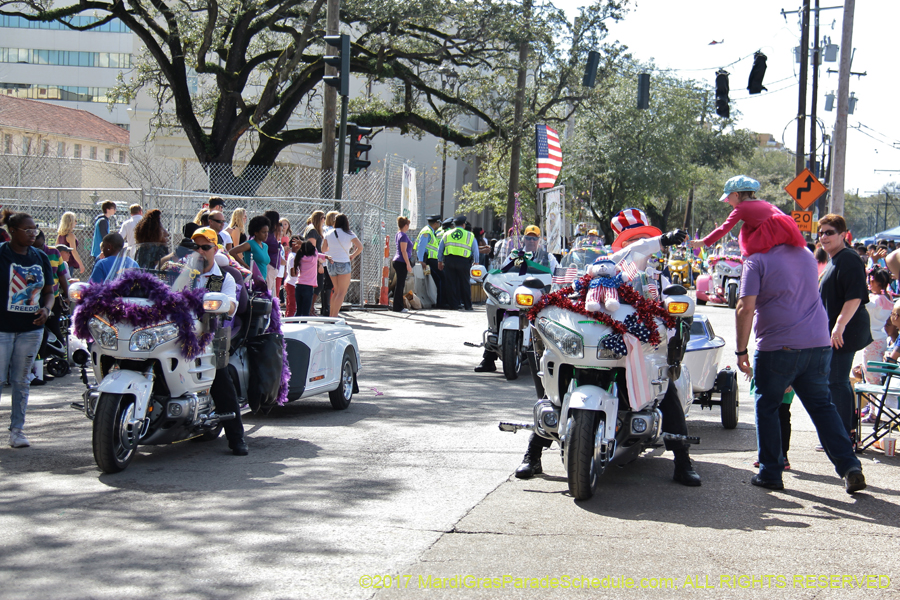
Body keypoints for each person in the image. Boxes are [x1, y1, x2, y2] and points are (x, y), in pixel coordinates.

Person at [515, 208, 700, 487]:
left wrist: (669, 312)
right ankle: (535, 451)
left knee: (666, 387)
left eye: (642, 238)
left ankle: (682, 459)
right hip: (591, 342)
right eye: (631, 239)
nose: (637, 244)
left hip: (636, 346)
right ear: (620, 243)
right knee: (549, 382)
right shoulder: (601, 265)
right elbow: (570, 294)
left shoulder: (656, 276)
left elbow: (668, 311)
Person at [735, 224, 866, 493]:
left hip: (777, 346)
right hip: (818, 344)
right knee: (822, 407)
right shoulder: (806, 254)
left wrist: (741, 350)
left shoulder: (756, 260)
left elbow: (745, 308)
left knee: (768, 406)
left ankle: (771, 471)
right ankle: (850, 466)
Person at [191, 227, 248, 456]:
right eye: (196, 246)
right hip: (180, 334)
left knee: (219, 376)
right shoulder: (182, 273)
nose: (200, 251)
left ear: (215, 249)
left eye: (206, 247)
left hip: (211, 334)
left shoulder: (222, 278)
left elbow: (231, 305)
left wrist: (225, 304)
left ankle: (236, 438)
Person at [1, 213, 54, 448]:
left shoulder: (40, 257)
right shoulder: (2, 253)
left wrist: (47, 310)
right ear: (12, 230)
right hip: (2, 329)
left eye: (35, 229)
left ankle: (17, 431)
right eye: (27, 230)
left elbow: (49, 292)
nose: (33, 234)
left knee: (21, 381)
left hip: (31, 329)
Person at [475, 225, 558, 373]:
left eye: (534, 238)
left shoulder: (548, 257)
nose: (531, 240)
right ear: (523, 239)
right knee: (492, 303)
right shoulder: (514, 255)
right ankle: (489, 357)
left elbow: (556, 276)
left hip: (536, 297)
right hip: (513, 295)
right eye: (528, 237)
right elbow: (500, 271)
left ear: (539, 240)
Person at [817, 213, 871, 439]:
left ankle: (842, 435)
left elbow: (855, 296)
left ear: (843, 235)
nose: (824, 237)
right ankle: (845, 431)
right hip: (837, 331)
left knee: (836, 381)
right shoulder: (834, 258)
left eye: (829, 232)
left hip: (845, 331)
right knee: (837, 381)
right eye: (820, 233)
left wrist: (839, 325)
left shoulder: (848, 258)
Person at [689, 175, 806, 257]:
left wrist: (703, 241)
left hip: (772, 232)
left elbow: (724, 228)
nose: (727, 201)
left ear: (736, 194)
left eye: (728, 198)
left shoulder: (742, 208)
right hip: (784, 228)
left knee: (750, 253)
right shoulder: (762, 202)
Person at [34, 230, 68, 385]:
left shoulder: (53, 253)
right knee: (39, 337)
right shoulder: (29, 254)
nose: (38, 249)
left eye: (40, 245)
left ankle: (60, 363)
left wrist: (67, 295)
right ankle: (37, 370)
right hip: (34, 301)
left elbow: (61, 276)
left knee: (55, 332)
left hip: (52, 299)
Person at [322, 213, 362, 317]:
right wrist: (352, 255)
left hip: (331, 263)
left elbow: (323, 249)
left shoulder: (329, 233)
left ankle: (331, 316)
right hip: (343, 263)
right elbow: (360, 247)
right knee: (341, 293)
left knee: (336, 291)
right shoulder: (349, 233)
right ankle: (334, 317)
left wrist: (333, 248)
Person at [437, 215, 479, 311]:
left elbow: (440, 249)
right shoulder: (469, 235)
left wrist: (440, 261)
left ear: (454, 225)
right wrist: (476, 262)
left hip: (449, 261)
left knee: (451, 284)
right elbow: (475, 250)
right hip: (464, 262)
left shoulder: (447, 234)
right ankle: (468, 305)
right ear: (463, 225)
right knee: (465, 283)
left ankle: (453, 305)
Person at [863, 267, 894, 384]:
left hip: (872, 340)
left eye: (871, 281)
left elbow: (864, 306)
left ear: (878, 283)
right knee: (877, 374)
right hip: (881, 338)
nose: (869, 284)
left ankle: (874, 402)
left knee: (871, 377)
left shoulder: (876, 300)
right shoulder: (888, 297)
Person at [291, 240, 329, 317]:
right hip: (308, 287)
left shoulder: (300, 257)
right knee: (305, 312)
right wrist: (302, 242)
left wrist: (302, 244)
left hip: (298, 286)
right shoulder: (313, 257)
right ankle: (304, 327)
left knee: (298, 311)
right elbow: (315, 250)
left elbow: (313, 250)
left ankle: (295, 326)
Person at [415, 215, 444, 308]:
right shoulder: (427, 232)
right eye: (439, 223)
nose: (439, 224)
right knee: (441, 279)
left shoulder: (431, 231)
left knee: (431, 279)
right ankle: (440, 303)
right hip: (428, 261)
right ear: (435, 223)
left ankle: (437, 302)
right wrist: (421, 260)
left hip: (429, 261)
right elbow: (421, 246)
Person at [304, 211, 331, 316]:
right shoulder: (312, 231)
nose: (324, 220)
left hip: (318, 260)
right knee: (318, 284)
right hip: (313, 261)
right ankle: (309, 307)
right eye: (323, 218)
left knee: (318, 284)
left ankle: (310, 307)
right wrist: (319, 264)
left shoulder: (316, 231)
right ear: (319, 219)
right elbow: (312, 249)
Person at [393, 216, 414, 313]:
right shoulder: (403, 236)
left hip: (398, 261)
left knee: (400, 284)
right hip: (401, 261)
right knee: (400, 285)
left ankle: (398, 305)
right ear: (405, 225)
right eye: (408, 225)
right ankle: (398, 307)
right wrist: (408, 264)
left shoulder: (399, 234)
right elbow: (403, 251)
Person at [56, 211, 85, 276]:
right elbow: (73, 251)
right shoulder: (70, 235)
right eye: (75, 220)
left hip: (61, 261)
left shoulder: (60, 235)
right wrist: (80, 264)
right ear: (70, 222)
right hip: (69, 262)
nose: (76, 222)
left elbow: (56, 247)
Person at [263, 210, 281, 293]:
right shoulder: (267, 235)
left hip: (272, 268)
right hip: (268, 267)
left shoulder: (271, 234)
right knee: (268, 292)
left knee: (272, 294)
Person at [284, 236, 300, 317]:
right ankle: (289, 323)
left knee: (291, 306)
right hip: (292, 284)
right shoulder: (294, 257)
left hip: (291, 283)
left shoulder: (293, 255)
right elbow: (293, 273)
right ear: (294, 244)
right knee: (292, 307)